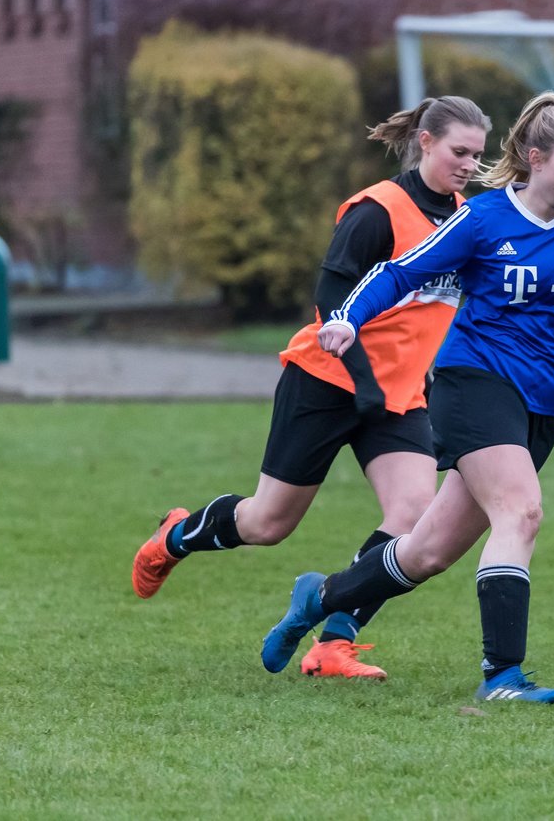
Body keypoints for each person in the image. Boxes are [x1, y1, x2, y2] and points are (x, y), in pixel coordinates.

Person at [257, 91, 554, 703]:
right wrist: (350, 318)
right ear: (536, 158)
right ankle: (503, 677)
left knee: (428, 552)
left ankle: (320, 598)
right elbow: (399, 272)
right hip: (475, 383)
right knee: (521, 512)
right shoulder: (484, 219)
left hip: (545, 404)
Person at [131, 96, 492, 678]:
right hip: (325, 382)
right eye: (459, 151)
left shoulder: (467, 218)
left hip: (398, 397)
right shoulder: (378, 211)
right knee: (267, 524)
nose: (469, 165)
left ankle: (333, 642)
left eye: (477, 155)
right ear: (424, 142)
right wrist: (364, 380)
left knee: (413, 517)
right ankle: (176, 535)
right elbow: (331, 302)